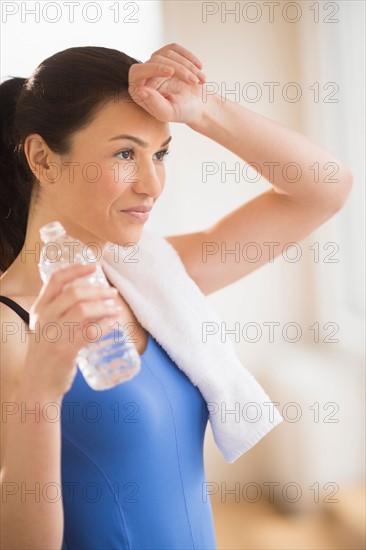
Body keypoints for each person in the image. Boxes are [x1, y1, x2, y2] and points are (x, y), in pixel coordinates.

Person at [0, 43, 353, 549]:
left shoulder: (149, 279)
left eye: (160, 153)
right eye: (125, 153)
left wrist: (204, 109)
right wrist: (40, 388)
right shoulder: (9, 326)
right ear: (42, 159)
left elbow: (325, 188)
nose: (152, 184)